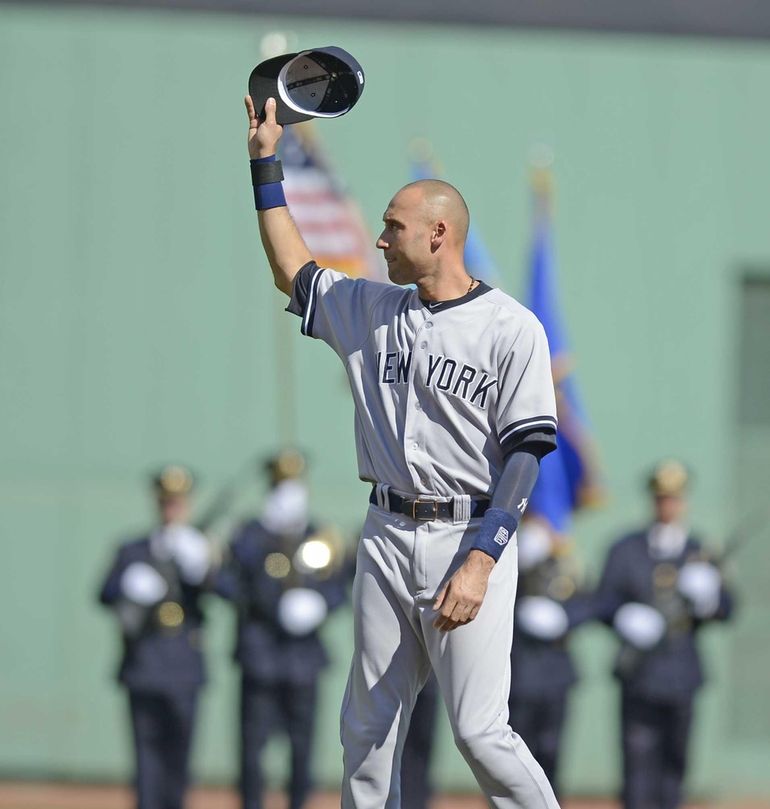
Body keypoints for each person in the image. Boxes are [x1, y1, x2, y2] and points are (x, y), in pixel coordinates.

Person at [244, 96, 561, 809]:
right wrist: (265, 162)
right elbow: (290, 267)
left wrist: (482, 557)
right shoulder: (371, 308)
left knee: (480, 730)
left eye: (394, 227)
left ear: (439, 233)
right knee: (365, 728)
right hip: (386, 530)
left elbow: (524, 455)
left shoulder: (512, 329)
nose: (381, 239)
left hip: (467, 533)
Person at [594, 459, 734, 809]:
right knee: (638, 765)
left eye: (674, 499)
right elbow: (603, 601)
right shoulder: (626, 549)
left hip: (681, 673)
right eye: (662, 498)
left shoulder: (699, 552)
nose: (668, 505)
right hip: (640, 674)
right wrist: (623, 617)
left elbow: (727, 608)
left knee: (675, 766)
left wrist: (710, 599)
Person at [216, 449, 349, 809]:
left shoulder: (318, 533)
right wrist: (268, 601)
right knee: (252, 748)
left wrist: (321, 604)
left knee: (302, 748)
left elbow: (339, 581)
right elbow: (228, 582)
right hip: (260, 655)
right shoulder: (250, 534)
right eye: (282, 486)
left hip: (303, 660)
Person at [98, 465, 214, 809]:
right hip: (145, 663)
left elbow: (228, 591)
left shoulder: (199, 547)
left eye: (178, 503)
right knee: (146, 757)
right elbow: (104, 593)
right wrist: (129, 585)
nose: (172, 509)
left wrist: (203, 565)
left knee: (179, 756)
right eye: (167, 503)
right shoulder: (133, 549)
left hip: (183, 666)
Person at [508, 518, 591, 798]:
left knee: (551, 753)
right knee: (510, 760)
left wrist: (564, 618)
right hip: (517, 672)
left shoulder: (565, 564)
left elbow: (589, 601)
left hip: (556, 674)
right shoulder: (512, 558)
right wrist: (519, 562)